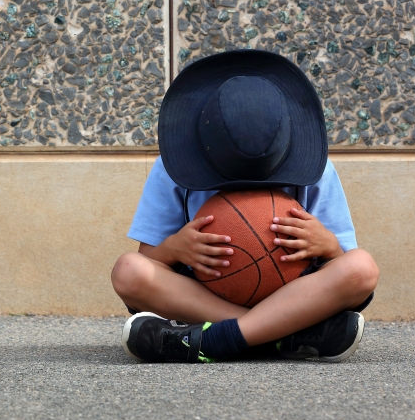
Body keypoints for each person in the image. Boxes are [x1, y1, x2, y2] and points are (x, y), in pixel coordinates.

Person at [111, 50, 379, 363]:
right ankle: (281, 336)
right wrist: (173, 248)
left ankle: (210, 340)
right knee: (128, 271)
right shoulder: (171, 168)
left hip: (293, 294)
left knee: (361, 268)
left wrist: (329, 246)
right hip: (206, 296)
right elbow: (149, 262)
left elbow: (342, 262)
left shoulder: (316, 169)